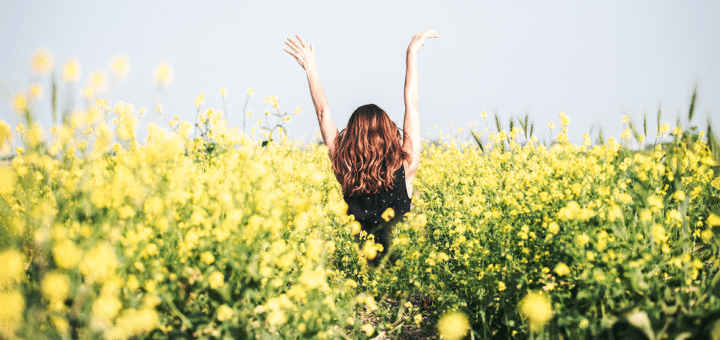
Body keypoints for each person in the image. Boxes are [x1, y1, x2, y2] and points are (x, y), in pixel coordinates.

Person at [284, 30, 438, 265]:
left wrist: (310, 67)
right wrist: (411, 54)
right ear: (388, 131)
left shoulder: (343, 169)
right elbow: (412, 105)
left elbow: (322, 112)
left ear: (352, 136)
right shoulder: (407, 165)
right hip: (402, 282)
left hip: (360, 279)